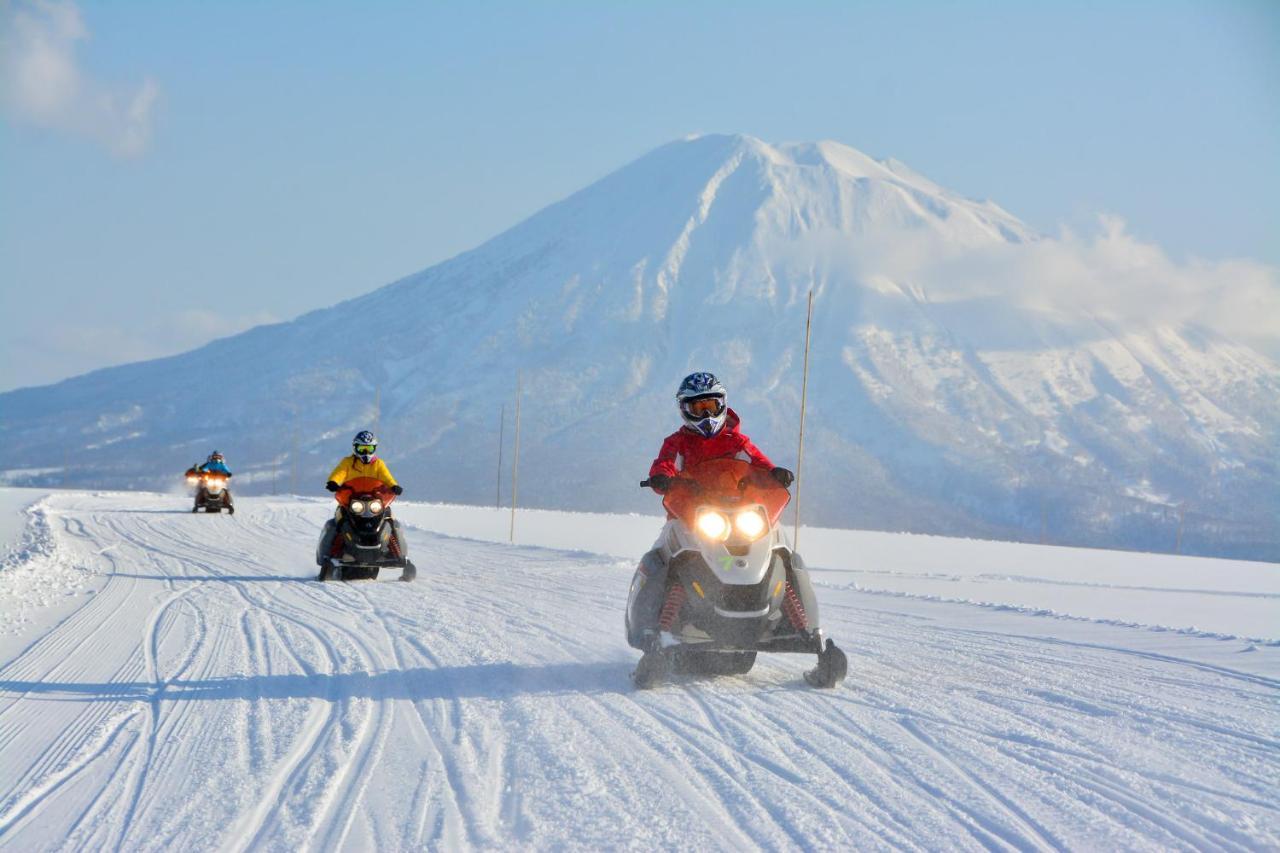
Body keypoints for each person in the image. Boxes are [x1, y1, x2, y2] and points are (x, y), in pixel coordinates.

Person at [647, 372, 793, 494]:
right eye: (697, 409)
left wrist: (774, 473)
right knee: (673, 528)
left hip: (737, 509)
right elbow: (665, 462)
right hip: (686, 512)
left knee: (769, 528)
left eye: (711, 406)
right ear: (685, 410)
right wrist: (661, 477)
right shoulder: (676, 443)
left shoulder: (736, 442)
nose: (706, 414)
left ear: (722, 404)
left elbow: (758, 462)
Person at [325, 431, 402, 495]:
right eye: (362, 448)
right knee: (342, 511)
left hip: (374, 496)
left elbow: (387, 477)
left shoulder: (378, 463)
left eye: (369, 448)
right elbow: (339, 473)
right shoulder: (348, 462)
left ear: (374, 448)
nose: (366, 452)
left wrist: (394, 486)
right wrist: (333, 482)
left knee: (387, 511)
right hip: (351, 496)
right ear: (355, 448)